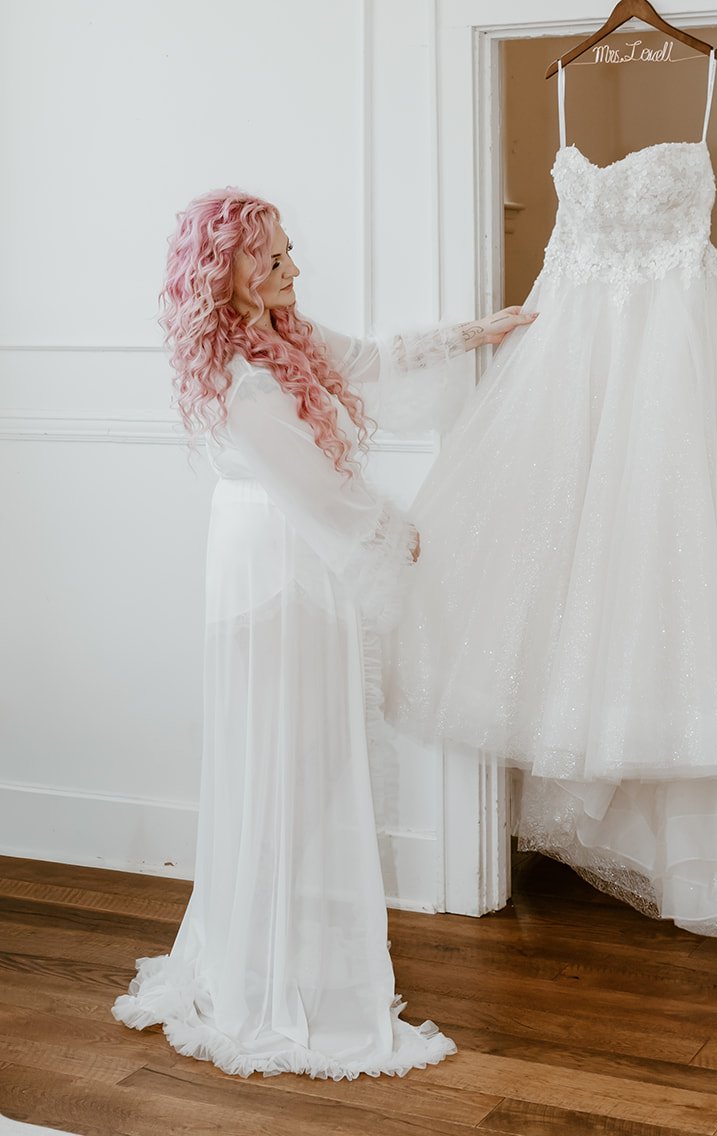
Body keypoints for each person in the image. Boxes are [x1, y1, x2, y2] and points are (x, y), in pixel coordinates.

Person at [113, 188, 533, 1080]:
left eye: (289, 254)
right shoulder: (240, 372)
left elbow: (375, 358)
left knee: (302, 750)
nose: (293, 271)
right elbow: (309, 486)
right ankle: (267, 968)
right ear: (227, 270)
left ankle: (285, 944)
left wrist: (475, 334)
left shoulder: (282, 335)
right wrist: (392, 529)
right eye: (274, 261)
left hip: (296, 557)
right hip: (275, 563)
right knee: (281, 747)